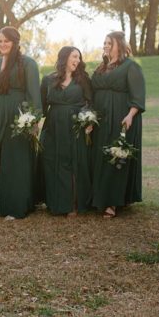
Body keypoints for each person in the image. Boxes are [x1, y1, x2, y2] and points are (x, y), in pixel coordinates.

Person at [0, 26, 41, 219]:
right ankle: (0, 195)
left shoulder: (28, 64)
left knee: (15, 162)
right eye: (0, 41)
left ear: (15, 42)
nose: (2, 44)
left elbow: (33, 92)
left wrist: (33, 119)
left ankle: (15, 204)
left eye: (6, 41)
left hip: (18, 116)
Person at [90, 31, 145, 218]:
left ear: (119, 45)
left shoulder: (131, 67)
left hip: (120, 116)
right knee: (99, 155)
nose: (105, 46)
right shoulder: (101, 67)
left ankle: (112, 202)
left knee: (115, 155)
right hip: (100, 119)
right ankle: (98, 197)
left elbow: (138, 96)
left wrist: (130, 115)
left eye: (109, 43)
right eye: (104, 42)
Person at [39, 47, 94, 216]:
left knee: (73, 162)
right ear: (64, 58)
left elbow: (90, 102)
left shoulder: (83, 79)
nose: (77, 60)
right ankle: (55, 202)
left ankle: (73, 204)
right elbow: (41, 105)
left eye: (79, 57)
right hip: (53, 125)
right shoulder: (48, 79)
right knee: (52, 161)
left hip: (74, 126)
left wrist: (88, 120)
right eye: (74, 56)